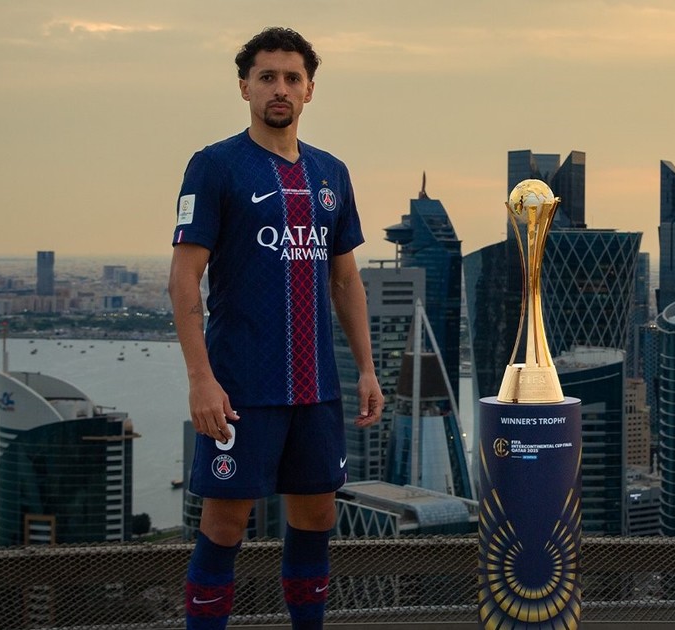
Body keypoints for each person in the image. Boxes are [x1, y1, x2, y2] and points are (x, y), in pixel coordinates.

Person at [168, 27, 383, 630]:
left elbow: (346, 280)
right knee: (224, 525)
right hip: (241, 386)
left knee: (317, 519)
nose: (280, 88)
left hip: (317, 388)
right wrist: (201, 380)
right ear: (245, 87)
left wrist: (367, 369)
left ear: (310, 90)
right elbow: (184, 279)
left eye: (292, 78)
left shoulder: (331, 173)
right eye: (267, 77)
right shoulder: (215, 166)